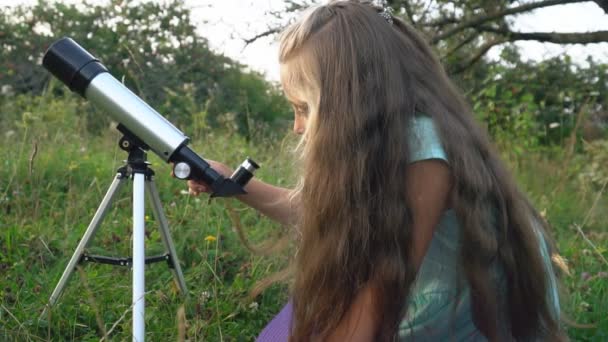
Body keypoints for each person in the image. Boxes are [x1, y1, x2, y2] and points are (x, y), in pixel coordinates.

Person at [187, 1, 566, 341]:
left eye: (304, 108)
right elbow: (320, 211)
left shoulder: (423, 153)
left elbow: (377, 300)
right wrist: (233, 184)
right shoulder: (386, 142)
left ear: (349, 101)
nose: (297, 127)